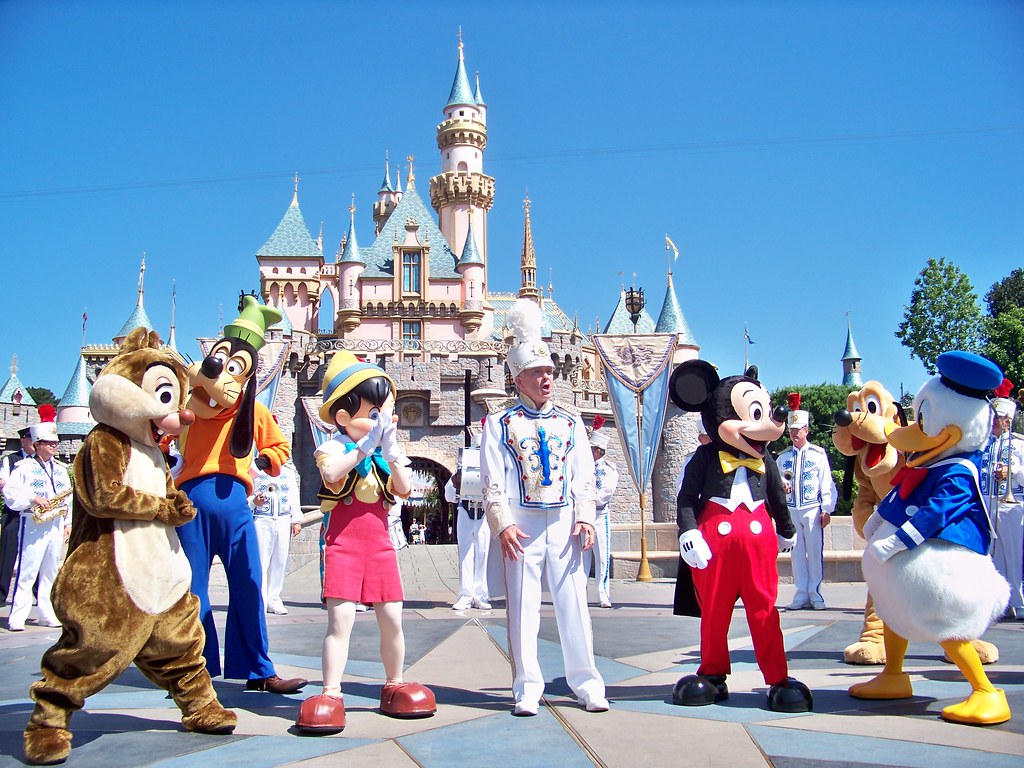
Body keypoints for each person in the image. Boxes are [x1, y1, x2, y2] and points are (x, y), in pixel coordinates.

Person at [480, 298, 608, 717]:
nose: (547, 379)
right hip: (523, 526)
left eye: (550, 372)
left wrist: (586, 515)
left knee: (575, 607)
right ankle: (527, 688)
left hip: (566, 526)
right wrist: (501, 524)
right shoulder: (499, 425)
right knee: (522, 610)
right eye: (538, 373)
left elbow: (583, 475)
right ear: (519, 379)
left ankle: (586, 682)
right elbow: (492, 479)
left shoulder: (571, 423)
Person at [296, 351, 435, 733]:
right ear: (343, 416)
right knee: (340, 621)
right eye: (373, 413)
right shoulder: (332, 448)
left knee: (392, 618)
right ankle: (331, 692)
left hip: (379, 545)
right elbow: (333, 478)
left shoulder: (381, 456)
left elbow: (404, 491)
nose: (382, 420)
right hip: (343, 543)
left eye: (382, 413)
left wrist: (390, 451)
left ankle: (394, 683)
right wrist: (364, 446)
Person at [176, 297, 305, 694]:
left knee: (249, 584)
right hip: (190, 506)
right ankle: (195, 668)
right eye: (220, 359)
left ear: (245, 378)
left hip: (235, 505)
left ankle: (258, 670)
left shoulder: (254, 414)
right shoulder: (188, 409)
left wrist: (265, 461)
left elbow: (280, 447)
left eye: (234, 367)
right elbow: (159, 431)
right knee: (192, 590)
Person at [2, 418, 70, 631]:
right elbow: (10, 493)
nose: (53, 446)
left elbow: (68, 500)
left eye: (55, 442)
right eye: (48, 442)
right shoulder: (24, 467)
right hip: (32, 523)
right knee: (28, 570)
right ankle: (18, 616)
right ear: (37, 444)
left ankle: (46, 613)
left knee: (50, 570)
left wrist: (67, 522)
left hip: (55, 524)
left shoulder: (60, 469)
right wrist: (33, 498)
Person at [776, 399, 837, 610]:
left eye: (798, 430)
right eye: (791, 430)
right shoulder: (782, 457)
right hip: (792, 509)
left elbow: (826, 482)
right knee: (797, 553)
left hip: (812, 508)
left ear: (807, 430)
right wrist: (782, 487)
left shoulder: (818, 454)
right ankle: (801, 593)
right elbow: (778, 480)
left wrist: (827, 508)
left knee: (814, 551)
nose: (794, 434)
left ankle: (815, 592)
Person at [980, 382, 1023, 620]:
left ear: (1008, 419)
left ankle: (1019, 602)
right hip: (988, 504)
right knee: (993, 556)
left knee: (1014, 555)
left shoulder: (1018, 445)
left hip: (1012, 505)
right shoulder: (984, 446)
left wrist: (1013, 470)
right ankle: (1001, 603)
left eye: (998, 418)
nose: (994, 422)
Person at [248, 459, 303, 615]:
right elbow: (248, 493)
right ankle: (260, 599)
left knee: (280, 560)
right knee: (261, 560)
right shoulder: (255, 470)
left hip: (283, 519)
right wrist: (254, 502)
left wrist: (296, 520)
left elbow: (293, 495)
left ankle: (274, 598)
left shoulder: (288, 472)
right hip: (262, 519)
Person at [445, 466, 492, 611]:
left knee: (483, 553)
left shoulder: (490, 466)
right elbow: (449, 495)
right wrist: (455, 483)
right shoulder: (461, 467)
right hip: (465, 510)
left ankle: (481, 595)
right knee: (465, 553)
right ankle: (465, 595)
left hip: (484, 511)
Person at [0, 426, 34, 604]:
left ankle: (37, 594)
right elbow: (4, 485)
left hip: (34, 516)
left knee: (34, 556)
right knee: (7, 553)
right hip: (13, 513)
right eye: (31, 439)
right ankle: (1, 594)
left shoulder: (40, 463)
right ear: (23, 440)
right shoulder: (10, 460)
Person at [584, 427, 618, 608]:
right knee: (581, 557)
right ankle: (580, 593)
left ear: (598, 451)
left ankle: (603, 594)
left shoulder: (609, 469)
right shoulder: (583, 467)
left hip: (599, 515)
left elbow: (605, 493)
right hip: (583, 517)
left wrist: (587, 498)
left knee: (602, 557)